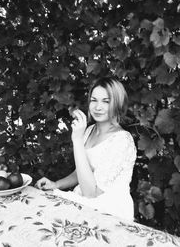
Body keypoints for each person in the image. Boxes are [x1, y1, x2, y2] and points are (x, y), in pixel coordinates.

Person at [35, 76, 137, 221]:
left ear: (118, 104)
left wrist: (77, 140)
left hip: (109, 210)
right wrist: (56, 184)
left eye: (106, 101)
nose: (97, 107)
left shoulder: (122, 141)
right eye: (94, 100)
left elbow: (91, 193)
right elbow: (81, 172)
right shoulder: (89, 130)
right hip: (86, 202)